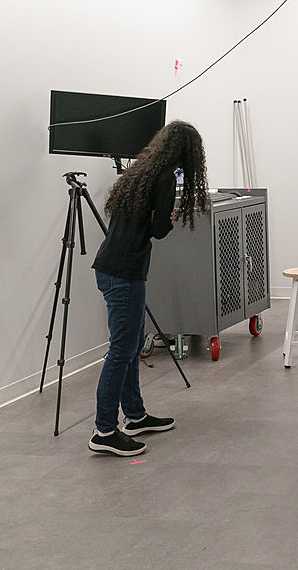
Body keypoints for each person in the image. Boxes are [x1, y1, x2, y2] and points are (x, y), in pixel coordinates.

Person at [89, 120, 209, 457]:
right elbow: (157, 230)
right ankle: (104, 430)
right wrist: (167, 219)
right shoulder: (166, 177)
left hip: (112, 268)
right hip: (125, 274)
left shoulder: (140, 171)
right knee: (121, 352)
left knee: (129, 347)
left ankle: (136, 415)